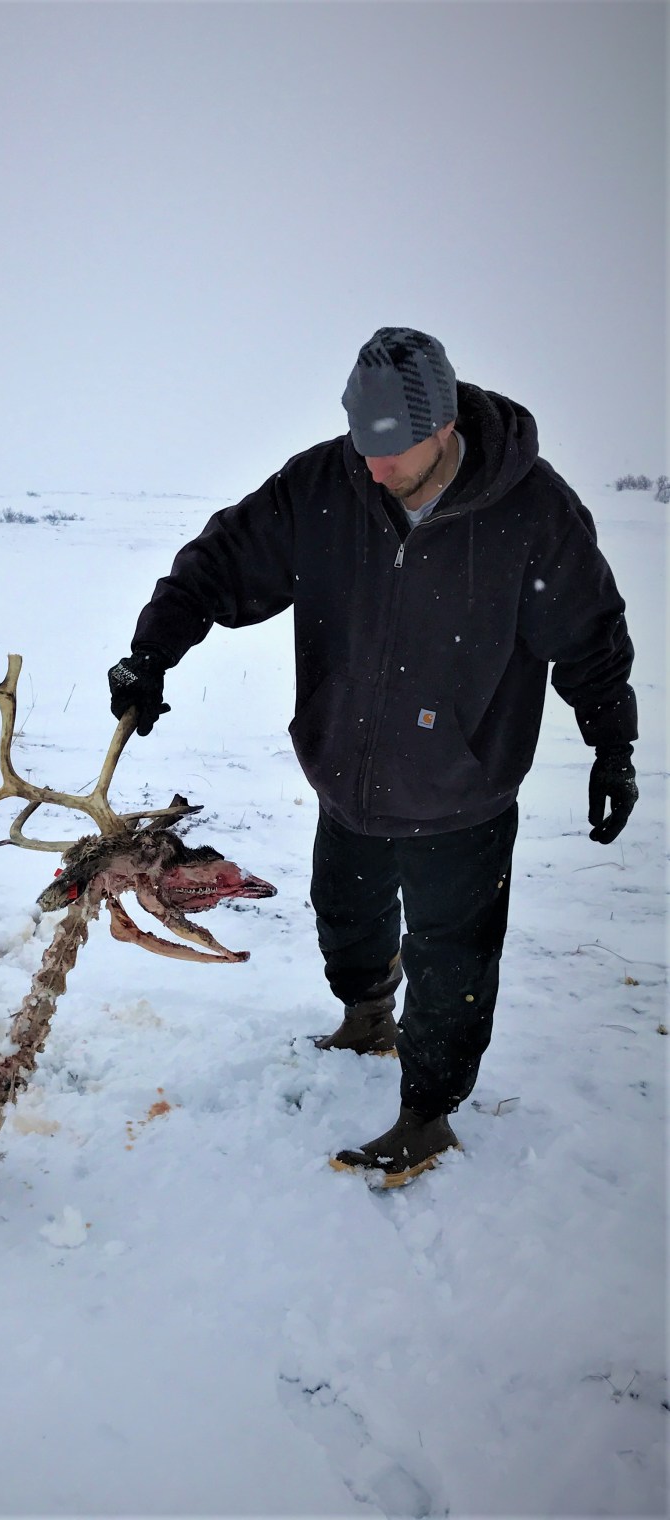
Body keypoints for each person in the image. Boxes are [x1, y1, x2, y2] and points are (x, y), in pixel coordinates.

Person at [107, 327, 638, 1185]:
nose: (375, 466)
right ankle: (364, 1015)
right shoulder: (323, 485)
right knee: (345, 918)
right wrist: (153, 651)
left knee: (451, 962)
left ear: (443, 426)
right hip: (347, 773)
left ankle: (428, 1113)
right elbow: (220, 563)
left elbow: (589, 634)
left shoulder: (532, 511)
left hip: (460, 789)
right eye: (364, 442)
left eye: (393, 449)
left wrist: (613, 740)